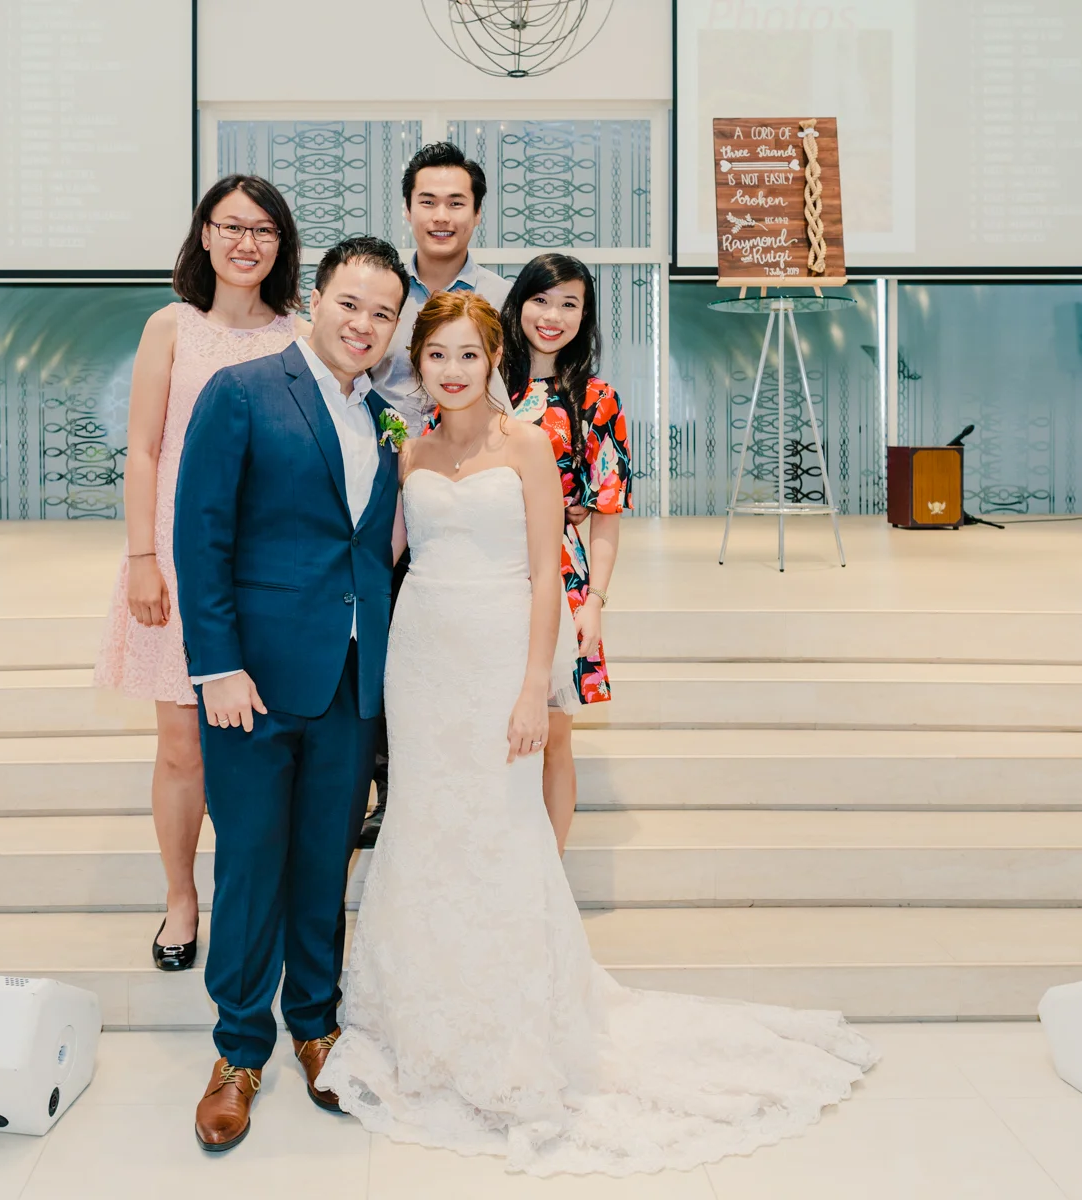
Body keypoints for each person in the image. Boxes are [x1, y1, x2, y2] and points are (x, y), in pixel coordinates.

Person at [318, 291, 878, 1178]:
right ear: (416, 364)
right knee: (424, 824)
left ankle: (511, 1020)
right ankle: (420, 1012)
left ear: (494, 363)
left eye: (469, 355)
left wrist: (533, 691)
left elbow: (548, 575)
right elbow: (379, 558)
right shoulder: (411, 450)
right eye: (437, 356)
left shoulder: (527, 446)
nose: (453, 371)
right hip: (421, 662)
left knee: (502, 828)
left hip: (501, 652)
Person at [173, 235, 410, 1153]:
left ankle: (316, 1027)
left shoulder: (386, 417)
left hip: (351, 683)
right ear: (316, 298)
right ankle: (239, 1051)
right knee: (248, 866)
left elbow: (371, 549)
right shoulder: (241, 392)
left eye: (383, 313)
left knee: (322, 864)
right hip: (255, 682)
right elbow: (202, 534)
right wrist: (217, 665)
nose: (364, 325)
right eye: (351, 304)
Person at [92, 174, 302, 974]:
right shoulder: (170, 326)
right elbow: (145, 449)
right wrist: (144, 560)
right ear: (205, 234)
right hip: (177, 562)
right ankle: (181, 898)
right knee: (182, 748)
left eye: (264, 230)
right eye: (232, 226)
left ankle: (256, 901)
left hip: (268, 567)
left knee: (258, 750)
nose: (247, 243)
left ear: (281, 244)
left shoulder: (299, 333)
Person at [357, 140, 513, 848]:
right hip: (390, 495)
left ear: (477, 213)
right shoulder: (382, 294)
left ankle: (476, 785)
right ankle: (390, 789)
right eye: (428, 201)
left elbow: (531, 391)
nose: (441, 215)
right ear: (408, 210)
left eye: (456, 202)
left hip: (476, 495)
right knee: (390, 647)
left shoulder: (503, 297)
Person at [500, 253, 629, 852]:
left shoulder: (597, 400)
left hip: (561, 573)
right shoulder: (482, 382)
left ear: (585, 316)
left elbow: (606, 512)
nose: (552, 316)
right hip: (487, 568)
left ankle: (547, 875)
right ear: (518, 304)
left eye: (569, 304)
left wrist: (595, 601)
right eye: (541, 300)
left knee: (554, 734)